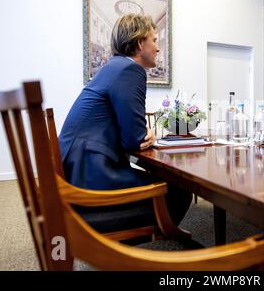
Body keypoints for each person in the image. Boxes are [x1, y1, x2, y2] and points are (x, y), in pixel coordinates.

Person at [59, 13, 191, 224]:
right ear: (140, 43)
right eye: (154, 40)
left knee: (166, 184)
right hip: (91, 173)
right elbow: (134, 139)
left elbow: (129, 134)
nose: (158, 48)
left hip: (75, 166)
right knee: (180, 190)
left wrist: (139, 134)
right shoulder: (130, 70)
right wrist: (148, 134)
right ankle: (144, 245)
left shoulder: (114, 67)